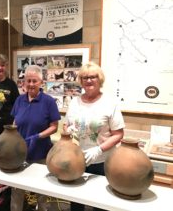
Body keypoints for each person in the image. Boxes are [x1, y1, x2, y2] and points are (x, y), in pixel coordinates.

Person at [63, 62, 125, 211]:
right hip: (77, 159)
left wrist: (98, 149)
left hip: (102, 162)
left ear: (100, 79)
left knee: (100, 203)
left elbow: (119, 134)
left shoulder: (110, 103)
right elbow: (66, 126)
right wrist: (69, 129)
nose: (89, 80)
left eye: (93, 77)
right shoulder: (74, 102)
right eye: (85, 77)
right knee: (76, 201)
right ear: (81, 81)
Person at [10, 65, 61, 211]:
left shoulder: (49, 101)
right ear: (24, 82)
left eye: (35, 81)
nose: (31, 84)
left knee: (42, 189)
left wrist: (38, 136)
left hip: (41, 152)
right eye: (28, 81)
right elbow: (15, 122)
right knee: (17, 188)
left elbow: (54, 126)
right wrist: (12, 136)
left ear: (41, 83)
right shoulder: (19, 100)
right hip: (20, 153)